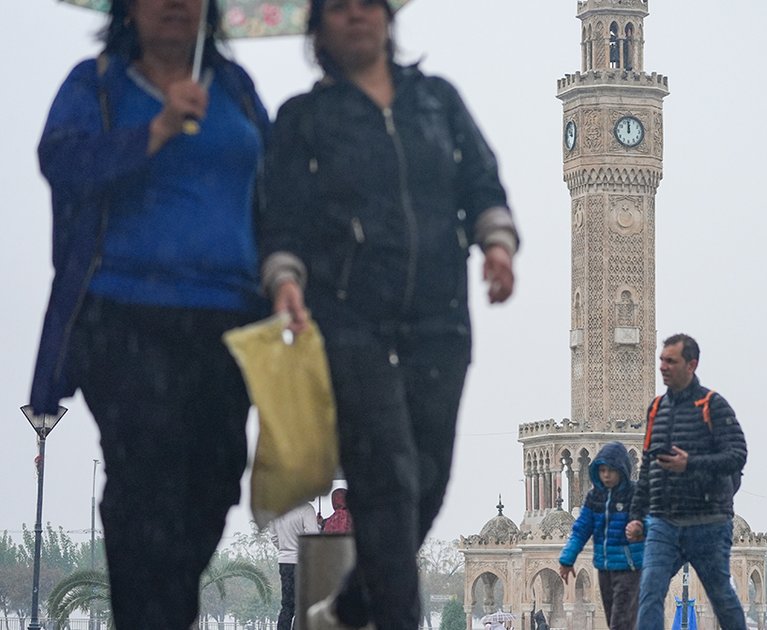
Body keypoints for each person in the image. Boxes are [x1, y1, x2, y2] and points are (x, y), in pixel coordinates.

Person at [258, 0, 518, 628]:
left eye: (368, 4)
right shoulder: (304, 119)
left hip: (440, 321)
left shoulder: (436, 101)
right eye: (339, 7)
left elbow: (481, 181)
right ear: (318, 27)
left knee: (429, 480)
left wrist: (497, 244)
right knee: (386, 485)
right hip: (350, 325)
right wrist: (285, 278)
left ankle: (350, 605)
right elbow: (280, 214)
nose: (356, 16)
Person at [30, 0, 269, 627]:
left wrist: (286, 276)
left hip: (229, 323)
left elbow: (275, 188)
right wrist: (155, 130)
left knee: (216, 477)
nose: (174, 4)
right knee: (146, 475)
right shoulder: (97, 84)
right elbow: (62, 162)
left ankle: (159, 611)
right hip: (124, 316)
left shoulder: (234, 89)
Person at [625, 334, 748, 630]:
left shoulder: (712, 405)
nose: (663, 367)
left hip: (708, 522)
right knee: (649, 591)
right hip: (664, 522)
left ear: (691, 365)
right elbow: (647, 468)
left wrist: (690, 463)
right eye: (661, 360)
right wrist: (636, 516)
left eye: (671, 361)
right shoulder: (656, 409)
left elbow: (737, 456)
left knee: (721, 596)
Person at [558, 441, 644, 630]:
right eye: (602, 470)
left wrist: (640, 528)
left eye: (611, 470)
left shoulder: (635, 494)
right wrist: (567, 559)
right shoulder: (595, 497)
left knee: (620, 622)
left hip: (630, 568)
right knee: (613, 618)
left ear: (621, 470)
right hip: (605, 568)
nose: (606, 475)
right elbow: (581, 529)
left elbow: (653, 520)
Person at [270, 501, 321, 630]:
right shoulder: (306, 509)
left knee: (287, 605)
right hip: (303, 563)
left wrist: (285, 549)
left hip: (284, 562)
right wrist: (319, 525)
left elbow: (274, 537)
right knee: (303, 604)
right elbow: (312, 536)